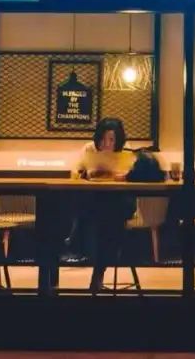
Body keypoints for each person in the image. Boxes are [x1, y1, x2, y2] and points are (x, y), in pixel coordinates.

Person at [77, 118, 138, 291]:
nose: (107, 144)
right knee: (106, 225)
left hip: (119, 202)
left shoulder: (126, 150)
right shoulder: (89, 149)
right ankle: (98, 270)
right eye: (103, 139)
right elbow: (77, 171)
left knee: (109, 221)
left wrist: (123, 176)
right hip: (93, 201)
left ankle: (97, 272)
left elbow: (132, 174)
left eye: (112, 139)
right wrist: (89, 173)